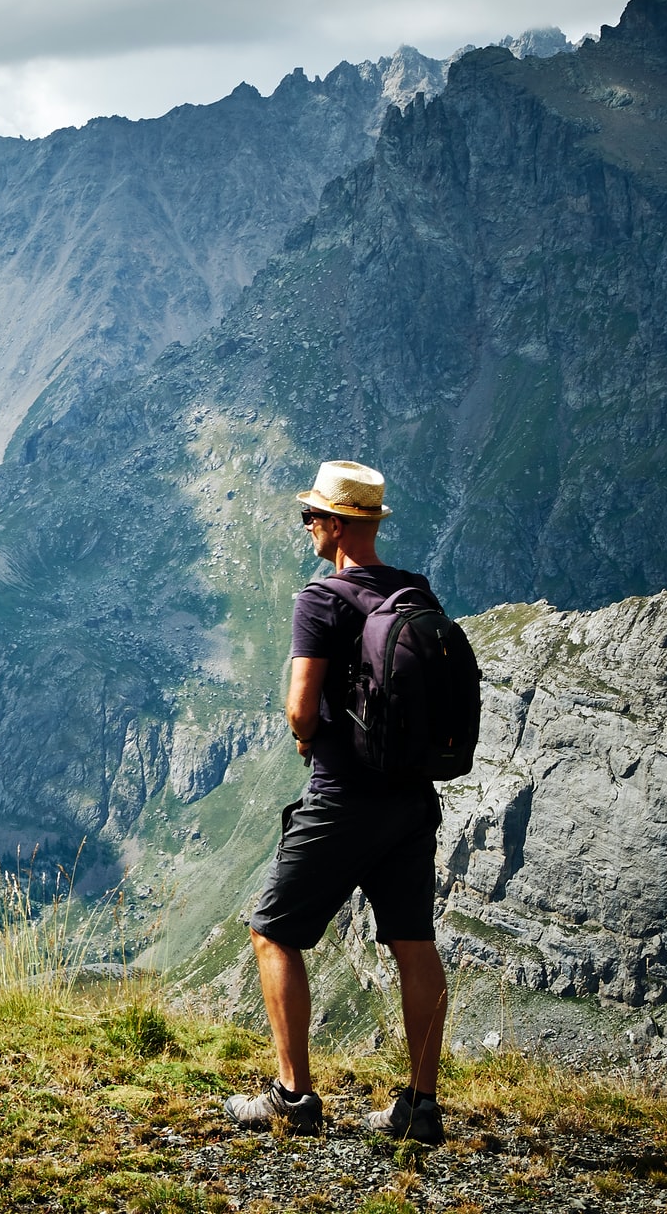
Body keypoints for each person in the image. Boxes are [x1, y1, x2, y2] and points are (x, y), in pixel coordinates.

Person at [223, 460, 448, 1143]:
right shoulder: (416, 590)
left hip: (342, 797)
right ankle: (421, 1106)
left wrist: (309, 738)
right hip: (411, 799)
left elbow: (298, 710)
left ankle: (293, 1097)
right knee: (414, 943)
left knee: (273, 932)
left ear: (338, 526)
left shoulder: (320, 599)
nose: (307, 527)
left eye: (311, 516)